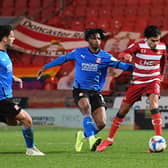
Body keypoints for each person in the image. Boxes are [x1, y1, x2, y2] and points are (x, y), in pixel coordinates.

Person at [37, 28, 134, 152]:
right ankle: (92, 140)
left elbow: (123, 66)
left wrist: (141, 68)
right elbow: (64, 58)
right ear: (88, 40)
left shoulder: (106, 57)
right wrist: (45, 67)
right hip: (80, 89)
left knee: (101, 124)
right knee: (86, 108)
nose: (97, 40)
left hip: (95, 92)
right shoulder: (79, 52)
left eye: (99, 38)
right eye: (93, 38)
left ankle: (82, 135)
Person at [96, 25, 167, 153]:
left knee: (154, 104)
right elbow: (124, 53)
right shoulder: (139, 45)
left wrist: (161, 76)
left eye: (157, 40)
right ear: (146, 39)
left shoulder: (162, 47)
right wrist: (126, 56)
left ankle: (159, 139)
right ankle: (110, 139)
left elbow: (163, 61)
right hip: (138, 81)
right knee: (123, 110)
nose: (155, 44)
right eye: (152, 41)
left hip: (153, 80)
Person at [0, 25, 44, 156]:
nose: (13, 38)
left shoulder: (4, 53)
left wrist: (14, 78)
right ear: (4, 38)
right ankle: (30, 149)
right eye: (11, 36)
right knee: (27, 120)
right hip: (1, 98)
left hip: (7, 96)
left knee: (13, 122)